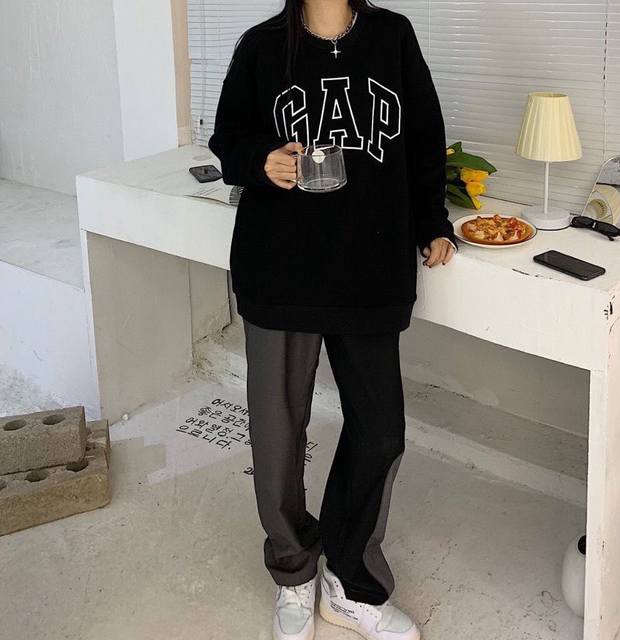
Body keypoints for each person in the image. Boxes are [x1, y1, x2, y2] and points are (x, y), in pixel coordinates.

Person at [209, 1, 457, 638]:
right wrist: (261, 160)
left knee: (380, 431)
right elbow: (227, 138)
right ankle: (294, 570)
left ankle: (350, 580)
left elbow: (424, 137)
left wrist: (432, 222)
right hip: (280, 269)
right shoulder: (261, 45)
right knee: (277, 434)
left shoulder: (392, 36)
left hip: (369, 269)